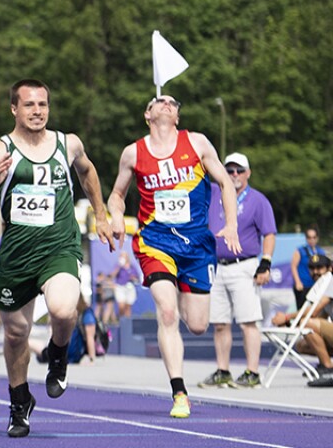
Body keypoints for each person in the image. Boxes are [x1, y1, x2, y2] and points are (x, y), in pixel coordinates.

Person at [0, 79, 114, 437]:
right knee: (16, 332)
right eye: (29, 105)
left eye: (42, 105)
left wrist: (101, 213)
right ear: (14, 109)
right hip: (17, 253)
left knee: (63, 309)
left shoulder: (68, 143)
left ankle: (58, 354)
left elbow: (87, 171)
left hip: (59, 246)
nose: (37, 111)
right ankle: (19, 401)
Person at [107, 94, 241, 419]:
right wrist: (114, 216)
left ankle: (182, 290)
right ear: (147, 114)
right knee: (167, 313)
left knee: (196, 325)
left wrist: (232, 225)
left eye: (173, 102)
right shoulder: (133, 153)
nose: (167, 104)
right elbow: (117, 194)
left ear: (178, 116)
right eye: (159, 101)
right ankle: (179, 392)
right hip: (156, 243)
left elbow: (224, 182)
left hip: (196, 246)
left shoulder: (197, 143)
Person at [199, 152, 277, 389]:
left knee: (248, 321)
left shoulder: (257, 200)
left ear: (248, 173)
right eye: (230, 170)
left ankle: (252, 372)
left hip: (244, 266)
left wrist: (266, 262)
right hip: (217, 265)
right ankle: (223, 370)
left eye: (239, 170)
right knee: (220, 322)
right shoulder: (214, 193)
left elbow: (269, 233)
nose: (234, 175)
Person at [271, 254, 333, 386]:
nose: (315, 271)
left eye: (319, 267)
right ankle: (326, 365)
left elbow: (314, 310)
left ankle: (328, 370)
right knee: (302, 344)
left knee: (307, 324)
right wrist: (289, 325)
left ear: (330, 268)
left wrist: (287, 317)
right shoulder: (322, 287)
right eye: (312, 268)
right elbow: (318, 318)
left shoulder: (331, 281)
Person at [291, 229, 325, 311]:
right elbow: (293, 266)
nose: (312, 240)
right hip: (303, 285)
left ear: (317, 238)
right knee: (301, 310)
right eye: (309, 237)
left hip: (316, 285)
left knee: (317, 310)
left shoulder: (320, 252)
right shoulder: (300, 250)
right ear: (306, 238)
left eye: (314, 237)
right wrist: (298, 282)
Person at [113, 251, 140, 321]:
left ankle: (127, 323)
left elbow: (137, 277)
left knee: (128, 306)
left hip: (130, 287)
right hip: (120, 287)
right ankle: (121, 320)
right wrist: (119, 266)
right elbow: (113, 275)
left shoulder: (132, 267)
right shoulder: (118, 266)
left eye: (123, 256)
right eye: (121, 256)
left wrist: (133, 278)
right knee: (121, 306)